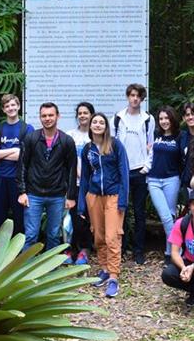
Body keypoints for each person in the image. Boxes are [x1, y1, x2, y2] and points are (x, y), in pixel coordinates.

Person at [78, 113, 130, 298]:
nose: (98, 125)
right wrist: (81, 204)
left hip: (113, 195)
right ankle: (104, 269)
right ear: (90, 126)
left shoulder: (115, 145)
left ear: (106, 126)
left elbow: (124, 173)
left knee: (112, 237)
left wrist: (123, 199)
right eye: (95, 122)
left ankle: (114, 277)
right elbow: (84, 177)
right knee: (98, 237)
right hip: (93, 196)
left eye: (101, 122)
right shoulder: (87, 149)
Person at [17, 102, 78, 252]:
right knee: (31, 235)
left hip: (57, 195)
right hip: (33, 194)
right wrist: (22, 192)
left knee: (53, 235)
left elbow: (71, 169)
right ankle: (27, 270)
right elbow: (22, 166)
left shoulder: (66, 141)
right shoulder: (31, 138)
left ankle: (52, 270)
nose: (47, 118)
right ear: (40, 117)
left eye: (51, 115)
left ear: (58, 116)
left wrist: (70, 196)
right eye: (44, 115)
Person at [112, 83, 154, 264]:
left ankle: (138, 251)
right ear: (127, 97)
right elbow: (113, 144)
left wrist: (147, 165)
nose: (135, 99)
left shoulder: (148, 119)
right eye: (132, 95)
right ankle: (119, 249)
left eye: (138, 96)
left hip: (140, 170)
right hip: (122, 171)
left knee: (139, 212)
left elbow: (151, 144)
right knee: (120, 211)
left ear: (142, 99)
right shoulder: (118, 118)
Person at [0, 94, 34, 238]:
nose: (11, 108)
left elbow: (25, 155)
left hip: (18, 179)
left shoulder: (27, 128)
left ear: (19, 106)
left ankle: (19, 250)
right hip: (0, 177)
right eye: (7, 106)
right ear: (3, 109)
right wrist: (14, 150)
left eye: (13, 105)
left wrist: (0, 152)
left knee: (20, 215)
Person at [148, 106, 185, 259]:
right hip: (154, 180)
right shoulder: (155, 134)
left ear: (172, 119)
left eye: (166, 118)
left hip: (172, 179)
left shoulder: (180, 136)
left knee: (170, 214)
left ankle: (169, 252)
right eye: (161, 118)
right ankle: (177, 251)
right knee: (165, 216)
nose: (164, 121)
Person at [64, 101, 94, 265]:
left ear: (91, 115)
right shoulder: (70, 136)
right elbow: (67, 160)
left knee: (86, 219)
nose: (83, 115)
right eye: (80, 113)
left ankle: (84, 250)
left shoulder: (95, 135)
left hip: (90, 185)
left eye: (86, 113)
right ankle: (70, 249)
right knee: (73, 217)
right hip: (73, 183)